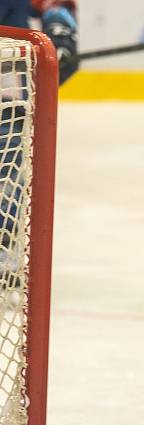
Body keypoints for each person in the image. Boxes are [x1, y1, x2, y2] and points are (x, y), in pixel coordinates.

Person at [0, 0, 79, 286]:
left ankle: (4, 247)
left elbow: (54, 6)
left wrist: (62, 27)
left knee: (6, 171)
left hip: (7, 94)